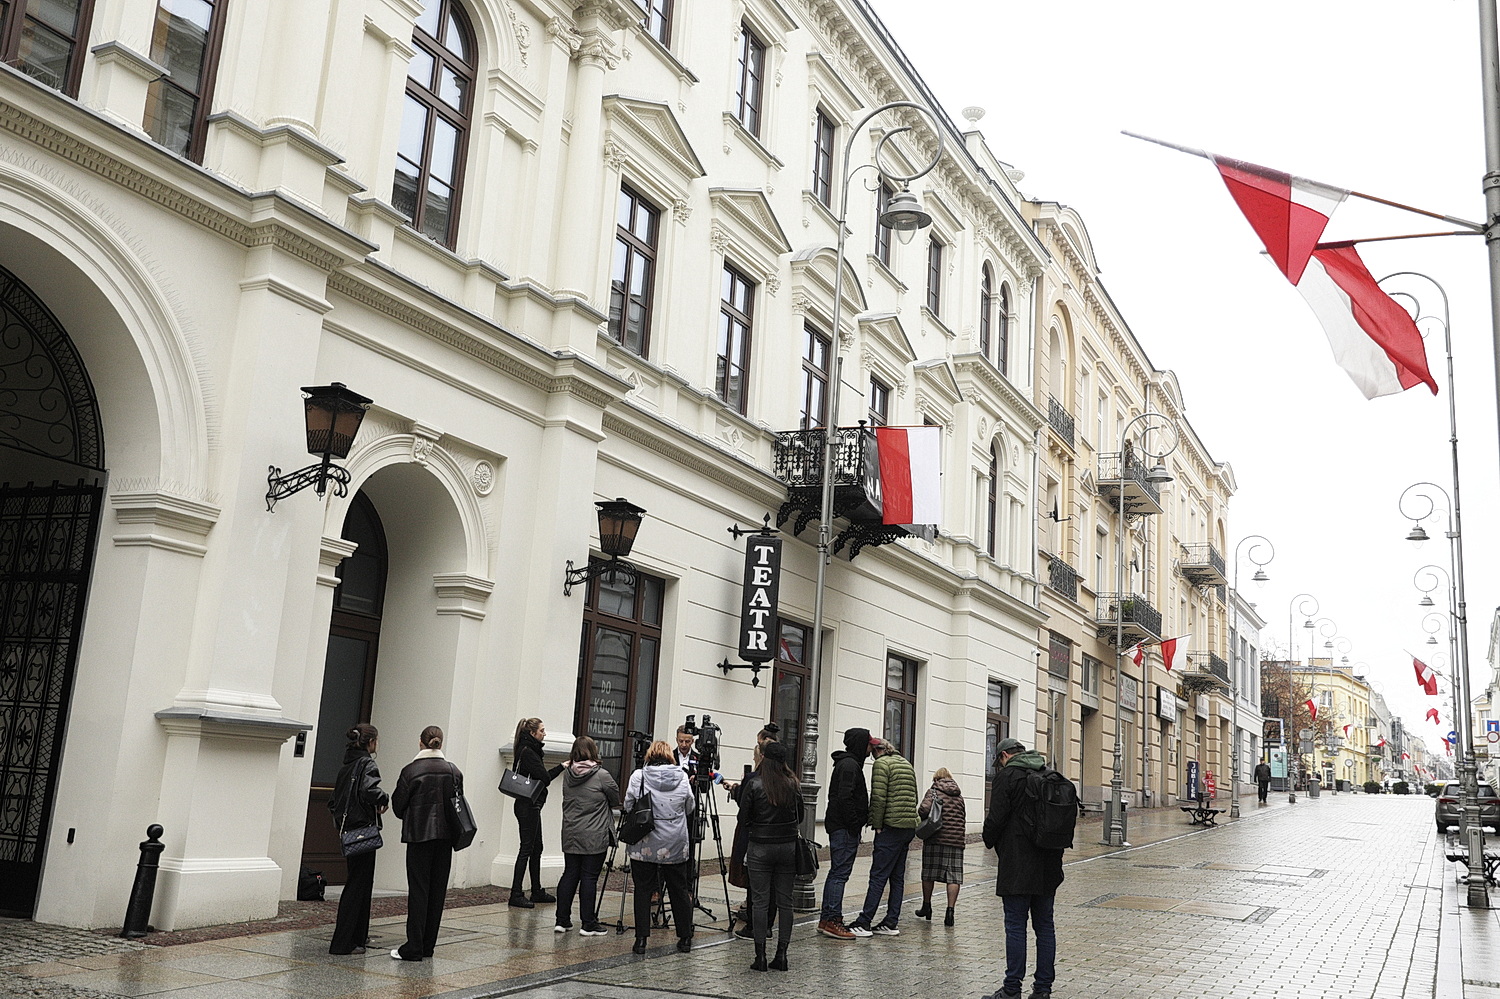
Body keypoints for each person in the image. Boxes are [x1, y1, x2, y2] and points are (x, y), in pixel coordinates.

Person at [982, 738, 1063, 998]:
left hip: (1017, 864)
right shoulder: (1047, 774)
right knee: (1045, 926)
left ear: (1005, 755)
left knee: (1016, 926)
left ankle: (1012, 989)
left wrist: (988, 838)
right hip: (1048, 864)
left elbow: (995, 818)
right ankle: (1042, 990)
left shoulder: (1008, 777)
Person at [390, 725, 461, 962]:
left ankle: (414, 946)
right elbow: (457, 805)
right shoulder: (453, 771)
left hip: (419, 837)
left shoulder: (411, 771)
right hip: (445, 838)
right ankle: (428, 945)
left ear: (421, 742)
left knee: (418, 891)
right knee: (437, 892)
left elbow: (398, 806)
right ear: (441, 742)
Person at [623, 739, 696, 954]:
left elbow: (628, 804)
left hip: (645, 841)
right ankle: (685, 937)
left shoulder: (639, 776)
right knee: (678, 888)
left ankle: (641, 940)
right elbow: (690, 806)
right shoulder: (682, 776)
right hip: (674, 841)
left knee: (643, 889)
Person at [739, 741, 803, 972]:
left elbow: (743, 818)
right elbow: (800, 816)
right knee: (785, 902)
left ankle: (760, 957)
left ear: (765, 758)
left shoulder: (755, 783)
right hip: (787, 847)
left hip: (760, 846)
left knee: (760, 901)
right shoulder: (793, 783)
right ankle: (782, 955)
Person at [848, 737, 918, 937]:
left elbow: (878, 798)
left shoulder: (881, 764)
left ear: (876, 751)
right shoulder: (905, 763)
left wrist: (877, 824)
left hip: (891, 827)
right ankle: (891, 922)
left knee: (878, 876)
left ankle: (864, 921)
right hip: (907, 827)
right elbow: (914, 795)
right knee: (897, 877)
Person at [328, 723, 388, 955]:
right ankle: (344, 942)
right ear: (371, 742)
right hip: (363, 831)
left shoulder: (347, 765)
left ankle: (358, 937)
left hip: (349, 831)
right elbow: (369, 791)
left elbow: (333, 801)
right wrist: (384, 799)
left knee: (358, 883)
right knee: (358, 885)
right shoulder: (366, 763)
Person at [554, 735, 620, 935]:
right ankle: (588, 923)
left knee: (570, 874)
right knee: (589, 878)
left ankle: (562, 920)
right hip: (594, 834)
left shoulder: (568, 775)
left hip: (571, 832)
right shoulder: (601, 775)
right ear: (593, 751)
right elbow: (615, 799)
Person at [817, 726, 870, 940]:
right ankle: (832, 920)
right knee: (840, 874)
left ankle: (827, 918)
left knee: (837, 872)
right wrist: (855, 824)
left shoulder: (848, 763)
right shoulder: (849, 765)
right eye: (867, 743)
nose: (869, 749)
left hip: (841, 826)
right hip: (845, 827)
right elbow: (844, 797)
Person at [728, 723, 780, 937]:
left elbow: (744, 814)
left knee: (755, 885)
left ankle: (754, 926)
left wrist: (736, 791)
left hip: (757, 839)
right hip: (780, 842)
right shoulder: (789, 780)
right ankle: (768, 926)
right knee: (773, 886)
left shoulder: (753, 780)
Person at [509, 717, 563, 908]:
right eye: (541, 731)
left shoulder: (526, 749)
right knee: (526, 848)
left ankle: (536, 890)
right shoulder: (529, 752)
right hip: (528, 806)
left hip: (528, 805)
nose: (544, 734)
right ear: (532, 733)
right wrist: (562, 766)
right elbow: (545, 778)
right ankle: (516, 893)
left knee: (536, 847)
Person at [914, 766, 966, 927]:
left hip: (936, 839)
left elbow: (923, 810)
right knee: (954, 877)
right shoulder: (959, 796)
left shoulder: (933, 792)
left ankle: (927, 906)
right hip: (956, 841)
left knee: (929, 873)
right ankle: (950, 912)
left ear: (936, 779)